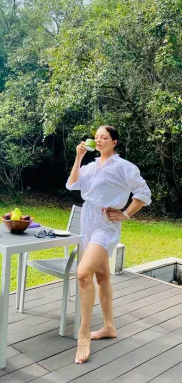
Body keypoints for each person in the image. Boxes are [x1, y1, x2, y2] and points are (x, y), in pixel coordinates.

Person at [66, 125, 151, 364]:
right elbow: (72, 184)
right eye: (96, 137)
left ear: (114, 142)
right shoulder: (91, 166)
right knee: (102, 276)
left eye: (104, 137)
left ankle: (84, 333)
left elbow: (143, 193)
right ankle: (109, 327)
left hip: (105, 223)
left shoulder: (124, 167)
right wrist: (79, 157)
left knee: (83, 273)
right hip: (87, 220)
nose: (99, 140)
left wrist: (125, 214)